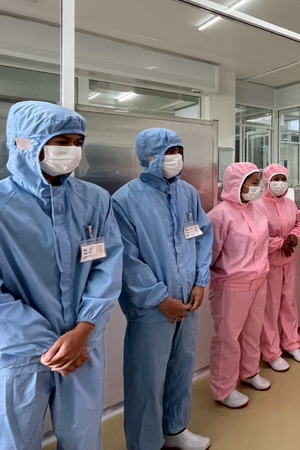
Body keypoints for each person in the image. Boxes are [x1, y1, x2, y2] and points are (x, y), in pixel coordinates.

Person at [0, 101, 123, 449]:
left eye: (77, 142)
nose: (71, 151)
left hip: (84, 343)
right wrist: (52, 344)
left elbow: (108, 265)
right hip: (21, 352)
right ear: (25, 143)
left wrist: (83, 330)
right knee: (17, 441)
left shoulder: (94, 200)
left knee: (83, 436)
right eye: (61, 141)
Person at [113, 128, 212, 450]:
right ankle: (145, 443)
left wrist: (200, 280)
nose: (176, 158)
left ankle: (176, 429)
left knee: (181, 368)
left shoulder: (188, 194)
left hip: (188, 302)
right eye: (169, 151)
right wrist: (159, 298)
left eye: (179, 150)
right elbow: (126, 258)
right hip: (151, 309)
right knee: (147, 378)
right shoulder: (124, 200)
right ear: (148, 156)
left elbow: (202, 236)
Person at [207, 162, 272, 410]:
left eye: (259, 182)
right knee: (228, 338)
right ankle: (223, 389)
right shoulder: (219, 215)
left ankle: (250, 371)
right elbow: (210, 254)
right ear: (238, 184)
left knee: (253, 331)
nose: (258, 188)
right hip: (231, 285)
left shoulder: (257, 210)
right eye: (253, 183)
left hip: (259, 281)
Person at [254, 164, 300, 371]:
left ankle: (291, 343)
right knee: (270, 308)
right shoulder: (258, 206)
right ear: (267, 181)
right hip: (271, 264)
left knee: (289, 303)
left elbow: (298, 224)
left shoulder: (290, 204)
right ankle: (271, 352)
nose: (280, 183)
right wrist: (279, 244)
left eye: (283, 179)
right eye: (275, 179)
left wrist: (294, 236)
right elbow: (258, 237)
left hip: (289, 262)